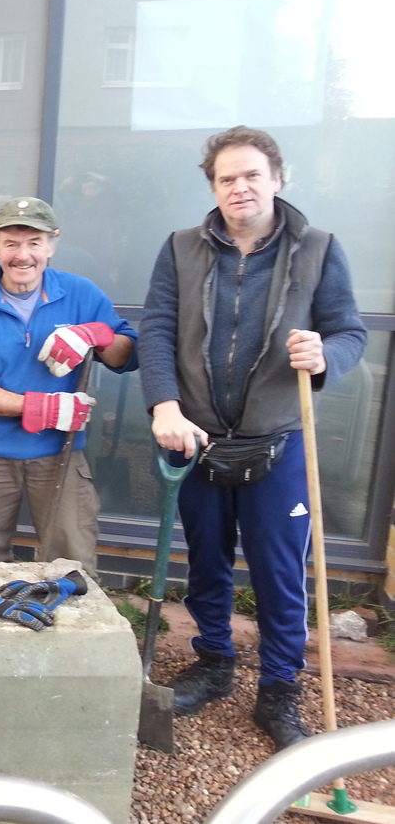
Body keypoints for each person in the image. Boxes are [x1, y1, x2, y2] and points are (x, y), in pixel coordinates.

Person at [138, 126, 367, 751]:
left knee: (278, 573)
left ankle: (279, 692)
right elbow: (156, 328)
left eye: (251, 175)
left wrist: (325, 356)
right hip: (194, 439)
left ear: (277, 178)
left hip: (280, 440)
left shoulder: (317, 248)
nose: (239, 187)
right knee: (206, 562)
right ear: (213, 187)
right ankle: (213, 663)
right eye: (226, 178)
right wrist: (163, 405)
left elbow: (349, 332)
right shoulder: (182, 248)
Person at [0, 197, 136, 577]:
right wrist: (41, 409)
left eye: (34, 242)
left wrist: (95, 335)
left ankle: (70, 630)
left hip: (58, 453)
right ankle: (1, 625)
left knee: (71, 559)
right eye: (12, 243)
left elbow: (126, 355)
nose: (23, 255)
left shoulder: (81, 294)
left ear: (52, 244)